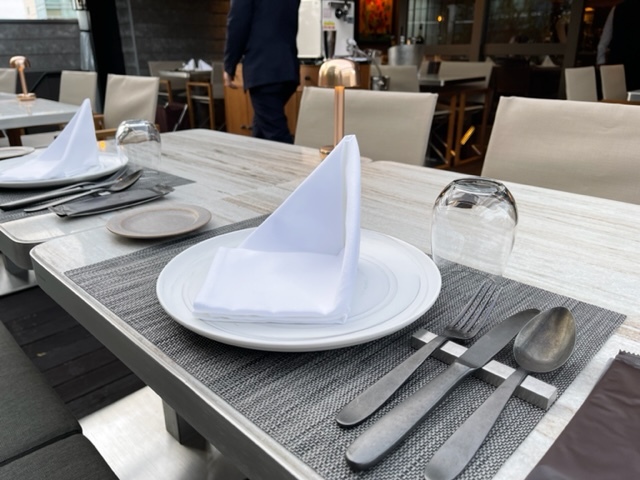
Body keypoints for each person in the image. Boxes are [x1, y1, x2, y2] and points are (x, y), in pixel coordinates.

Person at [223, 0, 300, 144]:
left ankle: (292, 160)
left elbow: (237, 23)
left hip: (263, 69)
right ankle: (253, 157)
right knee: (262, 128)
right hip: (288, 67)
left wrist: (229, 66)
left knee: (276, 135)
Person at [600, 0, 640, 90]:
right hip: (625, 65)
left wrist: (600, 60)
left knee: (616, 94)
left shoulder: (618, 8)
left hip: (618, 64)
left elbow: (605, 38)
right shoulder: (618, 8)